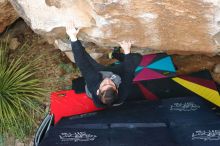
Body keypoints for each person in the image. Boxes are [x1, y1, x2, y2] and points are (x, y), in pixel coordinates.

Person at [66, 22, 142, 108]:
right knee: (136, 58)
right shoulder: (124, 91)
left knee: (85, 58)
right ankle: (114, 54)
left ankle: (75, 41)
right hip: (117, 74)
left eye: (104, 85)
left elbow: (83, 63)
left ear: (98, 91)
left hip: (99, 73)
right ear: (117, 90)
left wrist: (73, 38)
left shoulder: (93, 83)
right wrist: (127, 51)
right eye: (112, 84)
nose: (107, 81)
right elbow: (129, 71)